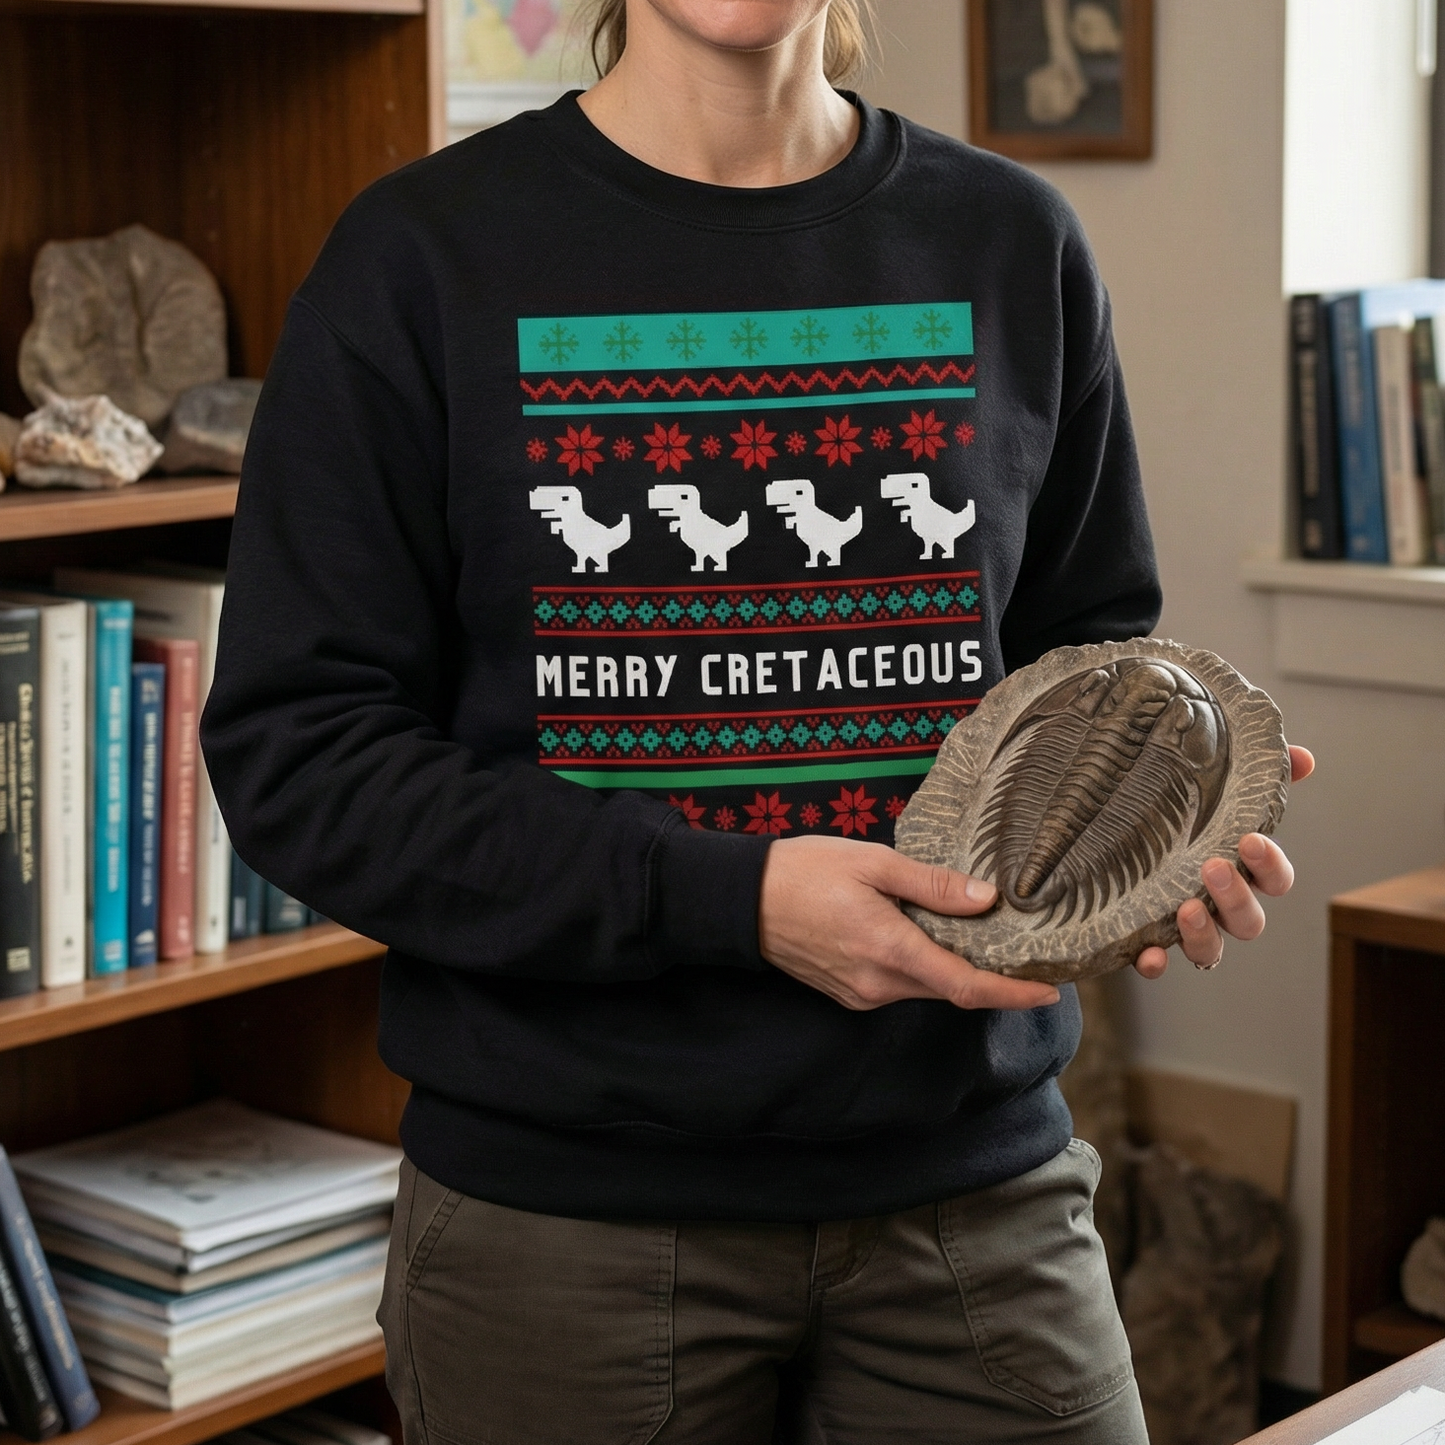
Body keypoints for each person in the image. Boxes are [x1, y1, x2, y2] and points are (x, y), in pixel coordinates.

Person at [201, 0, 1312, 1439]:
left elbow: (1090, 679)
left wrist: (1149, 860)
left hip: (977, 1200)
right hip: (564, 1229)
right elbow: (303, 761)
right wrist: (735, 902)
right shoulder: (419, 256)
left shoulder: (1011, 242)